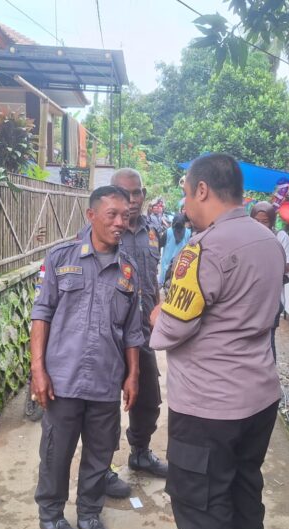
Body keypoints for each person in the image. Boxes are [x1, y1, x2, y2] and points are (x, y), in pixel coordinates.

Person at [150, 153, 286, 529]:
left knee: (201, 499)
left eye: (186, 193)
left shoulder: (204, 248)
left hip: (210, 407)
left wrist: (157, 316)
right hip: (259, 396)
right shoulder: (269, 240)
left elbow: (173, 327)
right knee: (244, 480)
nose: (185, 204)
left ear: (203, 190)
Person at [30, 185, 143, 529]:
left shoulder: (128, 269)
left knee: (99, 454)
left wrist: (133, 374)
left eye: (125, 215)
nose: (120, 222)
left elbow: (132, 330)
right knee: (56, 453)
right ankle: (51, 516)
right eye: (112, 214)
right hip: (62, 379)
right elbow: (41, 313)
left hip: (105, 380)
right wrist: (38, 370)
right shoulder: (61, 257)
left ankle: (90, 515)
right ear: (91, 215)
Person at [100, 168, 169, 500]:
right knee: (104, 405)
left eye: (137, 192)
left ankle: (140, 452)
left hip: (142, 333)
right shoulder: (101, 231)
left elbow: (151, 278)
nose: (133, 199)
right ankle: (101, 468)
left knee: (148, 398)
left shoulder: (151, 230)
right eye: (125, 192)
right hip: (109, 336)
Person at [250, 200, 289, 361]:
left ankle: (269, 373)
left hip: (272, 299)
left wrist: (274, 263)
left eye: (264, 221)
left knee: (268, 340)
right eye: (256, 221)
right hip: (248, 299)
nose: (260, 225)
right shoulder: (246, 237)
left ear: (271, 221)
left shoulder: (280, 237)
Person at [159, 213, 190, 288]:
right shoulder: (188, 233)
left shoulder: (168, 232)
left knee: (164, 284)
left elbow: (160, 245)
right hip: (180, 264)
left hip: (166, 264)